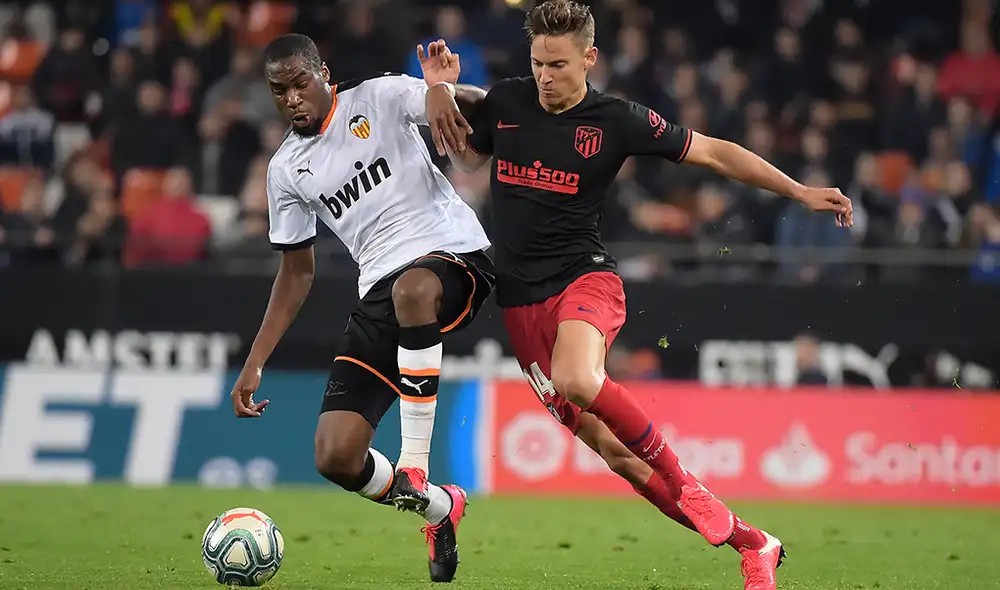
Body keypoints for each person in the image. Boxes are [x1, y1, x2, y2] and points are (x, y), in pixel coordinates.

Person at [427, 2, 854, 589]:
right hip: (520, 304)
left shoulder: (617, 120)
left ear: (589, 58)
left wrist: (797, 189)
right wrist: (442, 93)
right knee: (618, 455)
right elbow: (469, 142)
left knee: (578, 378)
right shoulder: (508, 100)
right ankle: (754, 544)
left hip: (586, 280)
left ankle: (693, 487)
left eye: (557, 64)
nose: (545, 76)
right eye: (537, 64)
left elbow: (712, 151)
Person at [229, 33, 496, 583]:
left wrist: (444, 87)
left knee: (414, 291)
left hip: (452, 256)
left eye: (301, 84)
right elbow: (297, 272)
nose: (293, 99)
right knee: (336, 456)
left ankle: (416, 464)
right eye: (280, 92)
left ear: (322, 73)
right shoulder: (285, 171)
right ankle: (440, 508)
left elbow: (456, 104)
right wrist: (255, 360)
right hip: (380, 290)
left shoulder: (377, 97)